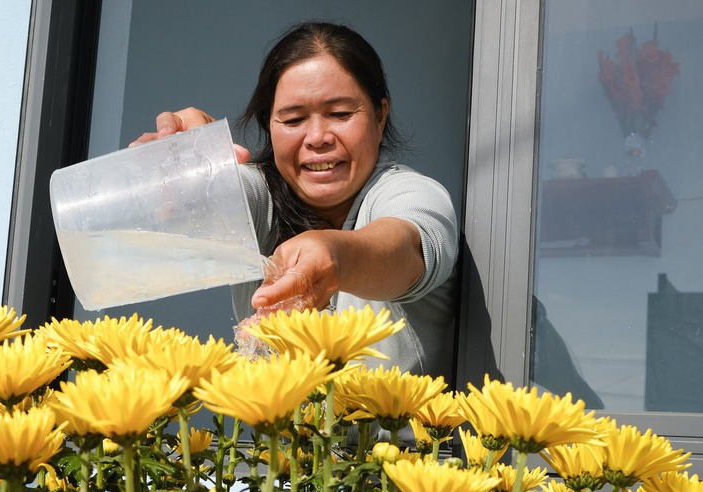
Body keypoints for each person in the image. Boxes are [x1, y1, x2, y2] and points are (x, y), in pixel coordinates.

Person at [133, 22, 459, 379]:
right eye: (293, 119)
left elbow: (406, 250)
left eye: (340, 114)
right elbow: (207, 206)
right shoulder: (262, 200)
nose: (317, 137)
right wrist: (185, 173)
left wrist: (334, 256)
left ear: (380, 117)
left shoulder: (410, 194)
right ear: (268, 127)